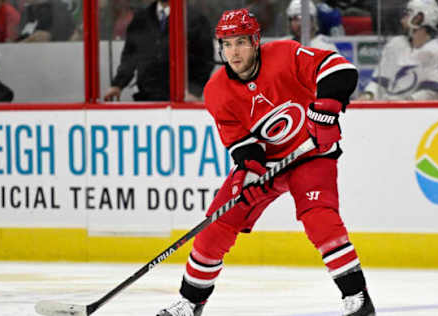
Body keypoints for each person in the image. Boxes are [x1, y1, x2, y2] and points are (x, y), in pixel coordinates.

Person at [156, 8, 375, 316]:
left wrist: (327, 105)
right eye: (227, 44)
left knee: (319, 218)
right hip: (268, 166)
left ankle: (357, 297)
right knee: (216, 225)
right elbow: (242, 145)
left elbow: (339, 69)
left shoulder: (285, 54)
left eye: (241, 42)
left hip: (310, 154)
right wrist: (249, 173)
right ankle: (190, 302)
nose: (234, 51)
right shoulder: (216, 91)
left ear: (256, 41)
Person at [103, 0, 214, 102]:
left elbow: (205, 60)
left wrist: (194, 91)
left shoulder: (195, 19)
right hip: (147, 98)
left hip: (182, 100)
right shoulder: (141, 19)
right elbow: (130, 56)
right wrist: (118, 85)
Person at [358, 0, 438, 101]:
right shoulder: (396, 44)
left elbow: (434, 91)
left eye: (408, 14)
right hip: (388, 109)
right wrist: (369, 95)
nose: (402, 20)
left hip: (419, 112)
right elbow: (380, 81)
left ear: (419, 18)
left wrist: (406, 103)